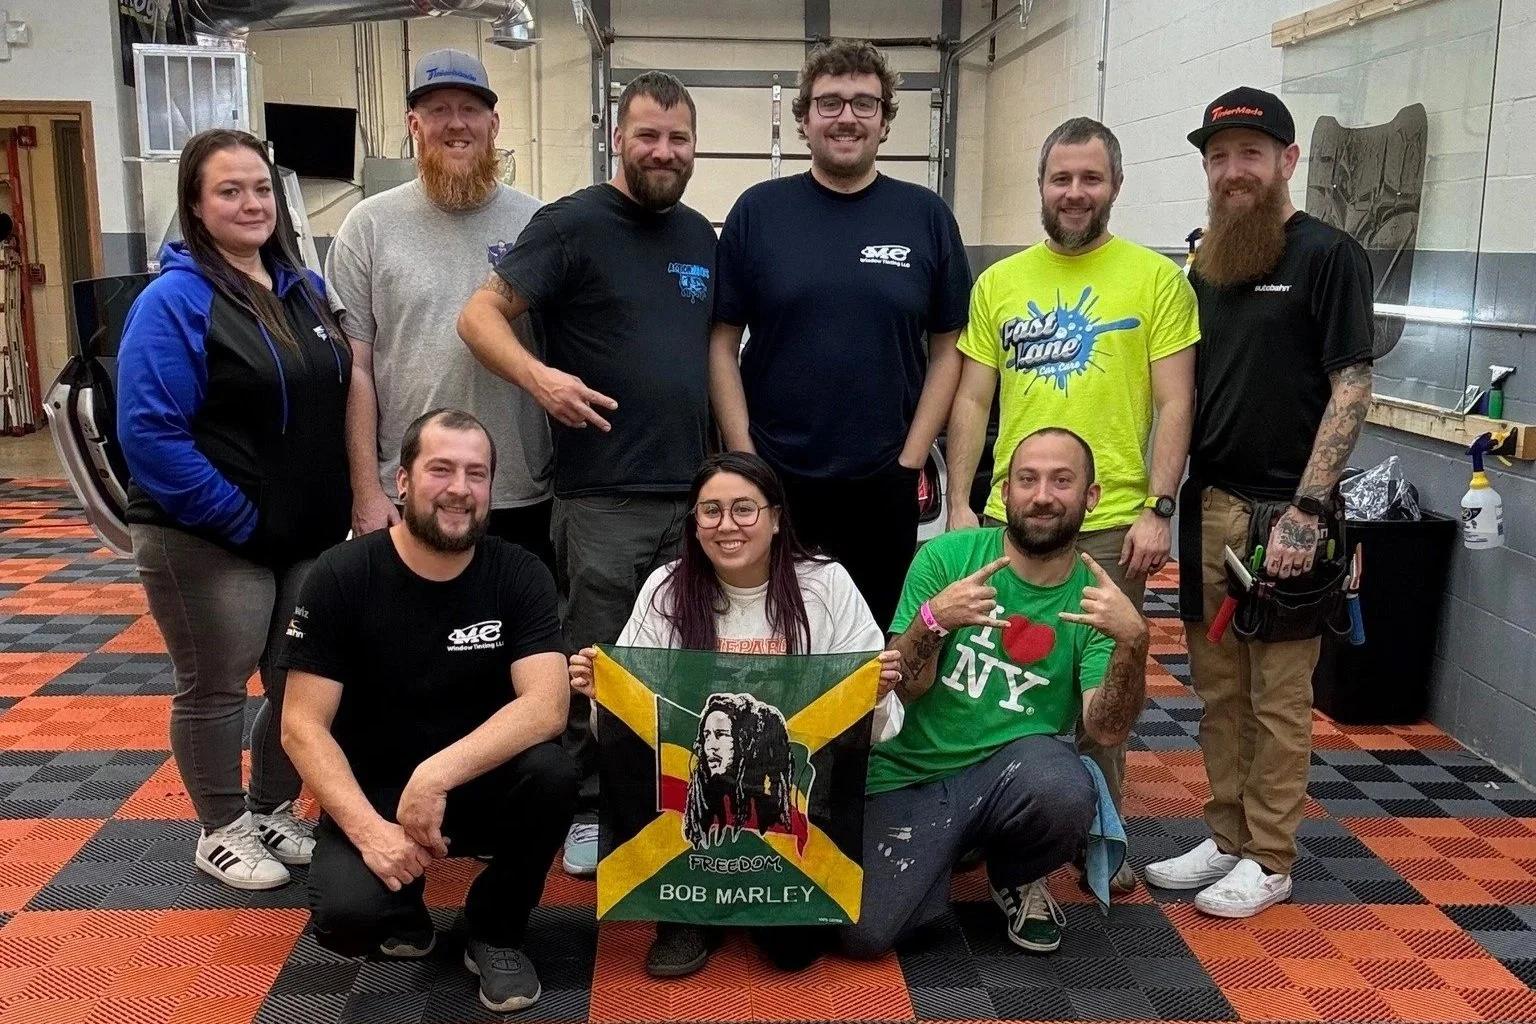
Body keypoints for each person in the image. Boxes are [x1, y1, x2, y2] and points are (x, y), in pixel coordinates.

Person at [458, 71, 716, 878]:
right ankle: (588, 809)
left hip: (694, 494)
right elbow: (478, 316)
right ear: (618, 138)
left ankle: (676, 804)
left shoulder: (701, 238)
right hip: (602, 494)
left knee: (686, 661)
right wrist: (541, 380)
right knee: (597, 662)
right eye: (648, 135)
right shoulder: (570, 224)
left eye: (677, 139)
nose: (662, 152)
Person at [943, 117, 1199, 891]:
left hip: (1114, 522)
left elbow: (1176, 400)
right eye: (1062, 179)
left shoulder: (1157, 280)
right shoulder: (1000, 283)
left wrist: (1159, 507)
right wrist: (961, 501)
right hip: (1010, 516)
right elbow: (970, 398)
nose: (1075, 193)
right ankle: (994, 821)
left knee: (1101, 682)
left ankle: (1099, 832)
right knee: (998, 674)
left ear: (1115, 184)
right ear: (1042, 187)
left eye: (1091, 178)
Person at [1144, 87, 1374, 919]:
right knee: (1217, 689)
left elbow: (1352, 383)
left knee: (1278, 695)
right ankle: (1228, 832)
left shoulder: (1328, 255)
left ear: (1286, 160)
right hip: (1210, 507)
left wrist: (1310, 512)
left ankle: (1270, 856)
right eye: (1217, 157)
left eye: (1249, 154)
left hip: (1288, 516)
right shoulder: (1206, 267)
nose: (1232, 170)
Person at [279, 409, 577, 1014]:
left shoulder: (520, 572)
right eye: (441, 469)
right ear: (404, 480)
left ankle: (494, 929)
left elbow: (546, 706)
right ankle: (402, 901)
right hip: (377, 792)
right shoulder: (341, 575)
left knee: (555, 772)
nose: (460, 490)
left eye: (477, 474)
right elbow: (300, 727)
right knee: (348, 921)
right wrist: (372, 833)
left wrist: (434, 775)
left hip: (479, 783)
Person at [117, 128, 351, 891]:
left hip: (302, 534)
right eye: (229, 190)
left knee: (297, 681)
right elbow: (149, 433)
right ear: (194, 204)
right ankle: (218, 828)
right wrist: (241, 518)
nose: (251, 204)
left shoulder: (299, 289)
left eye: (261, 190)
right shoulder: (173, 300)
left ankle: (271, 807)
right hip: (208, 538)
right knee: (216, 684)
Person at [569, 451, 904, 977]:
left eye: (744, 509)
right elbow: (629, 734)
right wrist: (601, 696)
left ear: (775, 518)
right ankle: (688, 911)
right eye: (711, 511)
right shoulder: (666, 588)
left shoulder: (828, 585)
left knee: (792, 955)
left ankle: (753, 896)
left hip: (792, 801)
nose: (727, 525)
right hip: (688, 810)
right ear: (694, 524)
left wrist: (876, 695)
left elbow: (881, 732)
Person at [839, 428, 1150, 959]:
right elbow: (902, 692)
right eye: (1027, 480)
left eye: (1062, 481)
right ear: (1005, 492)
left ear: (1090, 497)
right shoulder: (948, 557)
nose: (1043, 495)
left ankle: (1017, 872)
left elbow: (1105, 729)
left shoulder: (1098, 600)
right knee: (863, 936)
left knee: (1068, 786)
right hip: (909, 773)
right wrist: (934, 621)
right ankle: (950, 851)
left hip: (1019, 771)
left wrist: (1133, 643)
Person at [709, 39, 972, 630]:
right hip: (776, 474)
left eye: (864, 104)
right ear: (803, 120)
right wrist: (744, 454)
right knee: (769, 632)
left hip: (883, 479)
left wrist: (910, 459)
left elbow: (949, 348)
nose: (847, 117)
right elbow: (722, 344)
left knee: (872, 642)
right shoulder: (758, 212)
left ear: (885, 121)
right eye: (829, 103)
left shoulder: (926, 217)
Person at [326, 49, 553, 569]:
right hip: (410, 496)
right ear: (413, 124)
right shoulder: (367, 227)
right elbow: (356, 370)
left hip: (516, 490)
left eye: (470, 110)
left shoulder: (538, 223)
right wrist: (366, 491)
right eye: (438, 110)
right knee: (405, 644)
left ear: (494, 124)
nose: (456, 124)